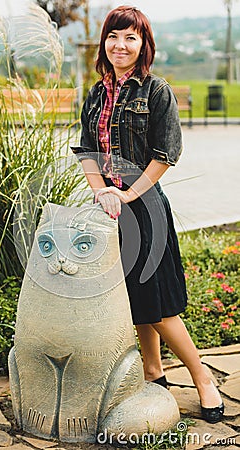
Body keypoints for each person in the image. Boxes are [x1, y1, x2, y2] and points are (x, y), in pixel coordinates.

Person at [72, 5, 224, 424]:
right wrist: (102, 191)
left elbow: (165, 155)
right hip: (111, 209)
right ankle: (154, 372)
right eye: (114, 37)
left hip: (146, 208)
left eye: (130, 38)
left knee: (159, 306)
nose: (120, 45)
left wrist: (127, 194)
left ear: (144, 45)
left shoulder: (155, 91)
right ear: (105, 43)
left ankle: (203, 377)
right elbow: (88, 151)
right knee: (133, 297)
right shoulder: (97, 93)